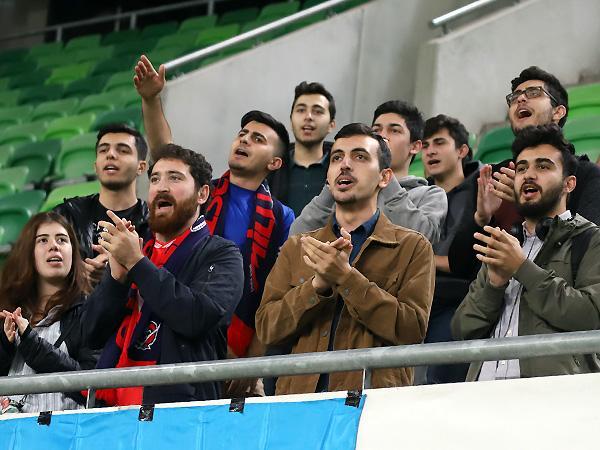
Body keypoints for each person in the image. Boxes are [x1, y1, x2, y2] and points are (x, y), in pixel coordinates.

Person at [133, 56, 294, 396]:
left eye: (258, 139)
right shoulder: (198, 192)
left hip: (238, 347)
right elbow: (165, 153)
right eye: (242, 134)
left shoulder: (281, 217)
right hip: (177, 324)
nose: (244, 140)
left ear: (275, 162)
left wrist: (253, 363)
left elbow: (273, 292)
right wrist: (151, 100)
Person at [256, 123, 435, 395]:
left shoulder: (413, 247)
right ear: (328, 178)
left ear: (385, 177)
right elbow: (267, 329)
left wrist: (346, 278)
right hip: (301, 403)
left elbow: (412, 330)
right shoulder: (298, 246)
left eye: (360, 157)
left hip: (373, 405)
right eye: (337, 157)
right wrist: (316, 287)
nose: (345, 165)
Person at [84, 144, 244, 406]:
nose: (161, 187)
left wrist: (136, 263)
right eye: (155, 179)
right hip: (109, 408)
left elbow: (197, 317)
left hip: (175, 410)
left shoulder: (221, 253)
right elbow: (91, 335)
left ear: (202, 193)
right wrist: (116, 279)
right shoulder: (139, 250)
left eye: (175, 178)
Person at [452, 124, 600, 380]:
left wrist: (523, 268)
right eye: (522, 168)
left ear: (569, 184)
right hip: (482, 394)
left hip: (550, 395)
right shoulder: (503, 244)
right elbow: (462, 329)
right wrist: (493, 287)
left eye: (543, 167)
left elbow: (591, 317)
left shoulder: (591, 239)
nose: (529, 175)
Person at [449, 66, 600, 280]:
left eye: (534, 93)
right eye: (514, 97)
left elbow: (588, 253)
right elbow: (459, 266)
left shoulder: (585, 174)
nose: (520, 99)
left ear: (558, 112)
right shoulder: (492, 176)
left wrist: (531, 202)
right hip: (489, 295)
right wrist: (480, 219)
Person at [290, 100, 447, 244]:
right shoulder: (347, 189)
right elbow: (295, 240)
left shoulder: (429, 194)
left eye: (394, 130)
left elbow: (423, 240)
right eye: (377, 130)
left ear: (415, 146)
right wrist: (334, 181)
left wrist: (385, 177)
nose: (382, 136)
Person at [0, 212, 97, 414]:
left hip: (62, 429)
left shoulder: (89, 310)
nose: (54, 246)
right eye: (43, 240)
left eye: (62, 240)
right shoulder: (6, 308)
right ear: (29, 252)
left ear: (73, 252)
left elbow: (92, 382)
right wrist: (4, 344)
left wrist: (32, 343)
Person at [420, 114, 480, 384]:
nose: (430, 151)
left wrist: (427, 260)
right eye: (425, 145)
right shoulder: (416, 196)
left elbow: (471, 260)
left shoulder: (481, 191)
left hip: (458, 299)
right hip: (416, 297)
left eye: (439, 143)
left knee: (439, 383)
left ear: (462, 150)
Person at [54, 123, 149, 286]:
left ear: (141, 167)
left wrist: (121, 271)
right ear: (95, 166)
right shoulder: (66, 215)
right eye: (103, 150)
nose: (110, 154)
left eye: (123, 150)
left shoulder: (153, 222)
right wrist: (77, 274)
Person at [267, 81, 336, 217]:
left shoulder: (342, 169)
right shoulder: (269, 167)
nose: (308, 117)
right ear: (291, 121)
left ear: (331, 125)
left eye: (317, 111)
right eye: (301, 110)